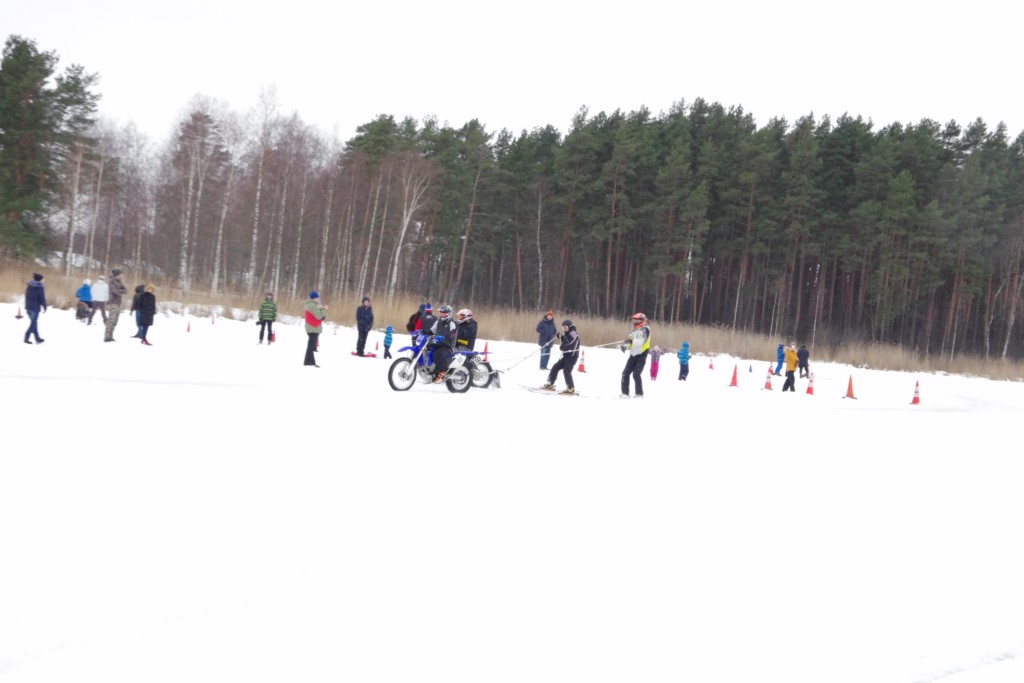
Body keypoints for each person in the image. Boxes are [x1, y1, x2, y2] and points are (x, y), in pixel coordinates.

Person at [540, 319, 580, 395]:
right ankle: (550, 383)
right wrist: (561, 337)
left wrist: (563, 347)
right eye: (563, 327)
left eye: (565, 327)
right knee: (555, 367)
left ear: (569, 327)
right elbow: (565, 342)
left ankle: (570, 388)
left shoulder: (573, 333)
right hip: (566, 356)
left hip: (572, 357)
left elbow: (572, 345)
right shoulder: (567, 333)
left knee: (566, 371)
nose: (564, 329)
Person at [620, 312, 651, 398]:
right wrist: (625, 345)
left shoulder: (646, 330)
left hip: (641, 355)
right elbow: (631, 344)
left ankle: (639, 394)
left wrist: (632, 341)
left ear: (642, 321)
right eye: (634, 320)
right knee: (625, 373)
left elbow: (643, 341)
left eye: (637, 320)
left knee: (636, 374)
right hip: (633, 355)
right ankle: (625, 394)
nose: (635, 322)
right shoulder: (634, 332)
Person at [425, 304, 458, 383]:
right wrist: (423, 331)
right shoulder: (438, 321)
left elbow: (453, 333)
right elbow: (431, 331)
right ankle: (430, 369)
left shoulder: (452, 323)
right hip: (438, 343)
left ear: (448, 313)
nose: (442, 314)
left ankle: (442, 372)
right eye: (441, 312)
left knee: (437, 354)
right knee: (427, 349)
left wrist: (445, 337)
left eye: (444, 313)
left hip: (448, 346)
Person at [103, 269, 128, 342]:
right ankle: (107, 336)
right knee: (111, 320)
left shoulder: (119, 282)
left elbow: (126, 290)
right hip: (113, 303)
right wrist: (120, 291)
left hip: (118, 303)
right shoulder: (112, 281)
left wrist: (120, 290)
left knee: (115, 320)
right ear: (117, 275)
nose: (122, 276)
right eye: (121, 274)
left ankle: (111, 336)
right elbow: (115, 292)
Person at [304, 291, 327, 367]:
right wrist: (324, 309)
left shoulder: (314, 304)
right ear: (314, 298)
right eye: (317, 297)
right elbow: (319, 316)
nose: (319, 298)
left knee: (311, 346)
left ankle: (309, 362)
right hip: (313, 328)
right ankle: (309, 362)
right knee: (311, 346)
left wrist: (321, 307)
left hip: (313, 327)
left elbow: (322, 316)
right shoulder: (312, 305)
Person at [23, 273, 47, 344]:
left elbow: (26, 296)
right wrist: (44, 306)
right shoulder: (40, 287)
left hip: (28, 307)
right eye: (43, 279)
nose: (44, 280)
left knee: (34, 323)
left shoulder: (29, 286)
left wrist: (27, 305)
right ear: (40, 279)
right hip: (35, 308)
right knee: (33, 323)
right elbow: (42, 298)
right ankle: (26, 337)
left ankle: (37, 338)